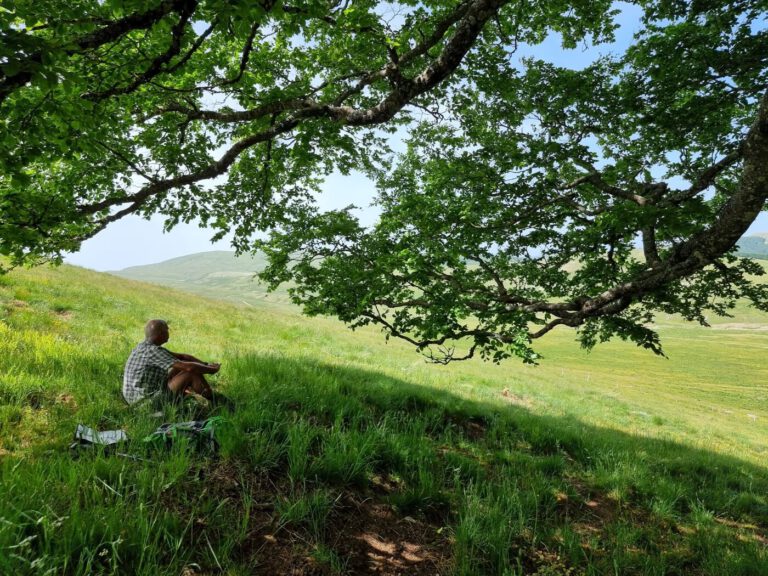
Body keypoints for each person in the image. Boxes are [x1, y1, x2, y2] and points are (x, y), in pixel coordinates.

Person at [123, 319, 221, 405]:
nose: (168, 332)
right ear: (161, 333)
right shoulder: (154, 351)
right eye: (167, 330)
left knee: (183, 367)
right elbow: (189, 368)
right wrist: (211, 370)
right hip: (145, 403)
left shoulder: (143, 347)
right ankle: (215, 400)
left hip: (134, 397)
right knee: (190, 373)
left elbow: (184, 357)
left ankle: (204, 393)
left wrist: (206, 365)